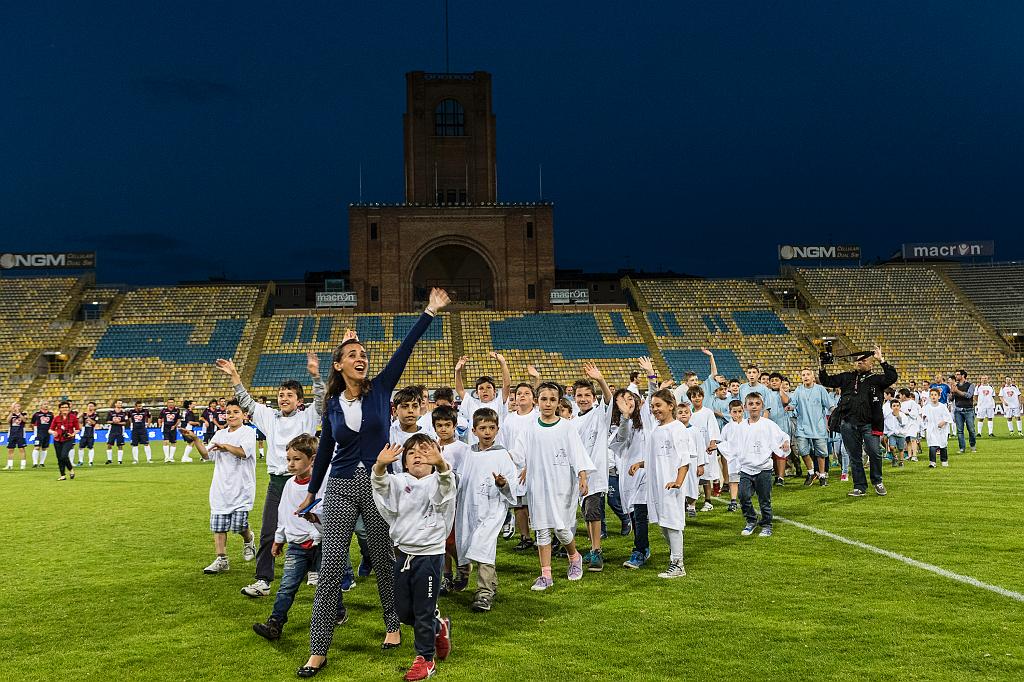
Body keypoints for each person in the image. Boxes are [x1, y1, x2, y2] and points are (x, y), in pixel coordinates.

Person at [294, 288, 449, 676]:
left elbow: (405, 349)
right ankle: (318, 649)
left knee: (382, 561)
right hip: (341, 487)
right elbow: (326, 448)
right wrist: (312, 493)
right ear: (338, 365)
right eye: (353, 354)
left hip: (380, 485)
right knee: (331, 569)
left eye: (364, 354)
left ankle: (393, 625)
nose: (361, 358)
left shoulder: (381, 389)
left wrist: (429, 310)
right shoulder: (331, 404)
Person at [214, 351, 324, 599]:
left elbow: (320, 399)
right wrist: (234, 376)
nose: (284, 398)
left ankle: (315, 570)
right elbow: (247, 402)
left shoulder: (308, 416)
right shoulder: (269, 417)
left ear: (299, 401)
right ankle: (263, 579)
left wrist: (316, 377)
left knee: (314, 529)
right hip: (277, 483)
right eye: (281, 395)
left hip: (305, 482)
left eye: (289, 395)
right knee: (268, 531)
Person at [370, 436, 455, 682]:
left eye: (424, 451)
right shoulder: (398, 481)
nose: (418, 455)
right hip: (403, 553)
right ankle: (439, 627)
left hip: (429, 554)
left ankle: (425, 660)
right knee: (404, 612)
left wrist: (441, 466)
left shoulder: (439, 480)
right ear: (404, 462)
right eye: (411, 453)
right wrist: (379, 466)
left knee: (423, 610)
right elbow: (381, 488)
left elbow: (446, 491)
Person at [252, 434, 342, 642]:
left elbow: (327, 512)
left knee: (328, 584)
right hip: (297, 546)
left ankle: (338, 611)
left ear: (312, 460)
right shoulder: (289, 485)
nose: (291, 464)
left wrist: (315, 528)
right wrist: (279, 539)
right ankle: (275, 623)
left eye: (297, 459)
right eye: (289, 459)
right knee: (287, 586)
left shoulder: (323, 483)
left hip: (321, 544)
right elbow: (283, 515)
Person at [514, 381, 594, 591]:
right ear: (536, 401)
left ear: (559, 402)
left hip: (561, 485)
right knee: (541, 529)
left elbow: (577, 453)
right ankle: (545, 574)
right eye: (543, 399)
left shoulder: (567, 427)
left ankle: (574, 557)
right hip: (537, 484)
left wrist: (582, 476)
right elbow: (518, 454)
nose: (547, 403)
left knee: (561, 529)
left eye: (552, 400)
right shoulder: (529, 429)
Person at [182, 399, 258, 574]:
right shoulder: (219, 434)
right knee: (219, 526)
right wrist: (195, 439)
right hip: (220, 488)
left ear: (244, 415)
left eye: (235, 412)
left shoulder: (248, 433)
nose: (231, 415)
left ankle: (249, 539)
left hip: (241, 488)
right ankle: (221, 559)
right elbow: (207, 455)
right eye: (228, 412)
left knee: (239, 526)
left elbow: (243, 452)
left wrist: (226, 447)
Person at [453, 408, 516, 612]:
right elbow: (462, 478)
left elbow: (511, 485)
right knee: (473, 544)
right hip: (470, 509)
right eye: (482, 428)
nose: (487, 432)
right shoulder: (468, 453)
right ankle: (492, 584)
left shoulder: (502, 455)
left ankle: (484, 593)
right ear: (474, 430)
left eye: (491, 428)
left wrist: (502, 483)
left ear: (497, 429)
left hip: (492, 509)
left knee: (484, 548)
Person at [819, 346, 897, 498]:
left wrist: (882, 360)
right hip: (848, 423)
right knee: (854, 456)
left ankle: (877, 481)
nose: (859, 362)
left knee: (874, 453)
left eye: (863, 360)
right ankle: (859, 486)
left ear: (870, 364)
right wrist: (822, 366)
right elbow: (827, 380)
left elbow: (892, 377)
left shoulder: (876, 379)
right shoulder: (847, 377)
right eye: (857, 360)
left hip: (870, 423)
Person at [632, 388, 691, 578]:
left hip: (671, 484)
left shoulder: (677, 428)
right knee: (664, 524)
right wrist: (640, 464)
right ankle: (675, 558)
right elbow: (656, 457)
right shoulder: (657, 430)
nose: (655, 409)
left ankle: (678, 564)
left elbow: (684, 459)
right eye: (652, 406)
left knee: (673, 523)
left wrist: (678, 482)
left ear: (670, 406)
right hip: (657, 484)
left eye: (659, 405)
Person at [717, 393, 791, 537]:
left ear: (761, 406)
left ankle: (767, 524)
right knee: (743, 496)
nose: (754, 406)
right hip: (746, 469)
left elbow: (782, 436)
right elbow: (732, 445)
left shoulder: (768, 424)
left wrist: (785, 443)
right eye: (751, 404)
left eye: (757, 403)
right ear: (745, 407)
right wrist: (718, 446)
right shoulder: (741, 427)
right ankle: (751, 520)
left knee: (764, 499)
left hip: (763, 469)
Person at [571, 364, 612, 572]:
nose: (584, 398)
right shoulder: (572, 421)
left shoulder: (598, 414)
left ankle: (597, 551)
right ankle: (592, 547)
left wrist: (600, 380)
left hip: (594, 474)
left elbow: (609, 399)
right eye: (580, 395)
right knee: (587, 513)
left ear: (593, 398)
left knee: (594, 513)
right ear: (574, 397)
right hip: (580, 475)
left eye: (588, 395)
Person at [611, 382, 655, 569]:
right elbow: (620, 439)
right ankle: (644, 548)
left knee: (641, 511)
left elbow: (653, 396)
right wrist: (625, 417)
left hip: (647, 472)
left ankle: (639, 551)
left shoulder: (646, 419)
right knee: (635, 514)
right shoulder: (619, 425)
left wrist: (651, 377)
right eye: (622, 401)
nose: (628, 403)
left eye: (630, 398)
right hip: (628, 475)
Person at [501, 381, 539, 551]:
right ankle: (525, 536)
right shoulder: (509, 419)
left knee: (536, 503)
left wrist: (530, 465)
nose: (522, 396)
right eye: (519, 393)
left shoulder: (537, 417)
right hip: (514, 468)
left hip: (534, 467)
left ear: (533, 398)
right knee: (518, 504)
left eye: (526, 393)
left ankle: (541, 535)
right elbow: (505, 443)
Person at [454, 352, 511, 447]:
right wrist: (457, 371)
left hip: (496, 450)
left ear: (494, 391)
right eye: (481, 388)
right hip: (475, 451)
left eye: (488, 387)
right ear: (476, 393)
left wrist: (503, 363)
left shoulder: (499, 402)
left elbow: (507, 385)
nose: (485, 391)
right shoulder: (471, 403)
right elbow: (459, 389)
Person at [789, 368, 832, 486]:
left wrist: (837, 414)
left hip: (818, 426)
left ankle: (822, 475)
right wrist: (789, 407)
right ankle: (811, 472)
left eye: (808, 374)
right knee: (803, 451)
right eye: (803, 375)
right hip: (802, 427)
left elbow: (830, 405)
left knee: (821, 453)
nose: (806, 376)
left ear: (813, 377)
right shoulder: (798, 390)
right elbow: (793, 404)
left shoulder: (820, 389)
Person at [688, 386, 722, 507]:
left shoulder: (707, 412)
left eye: (699, 395)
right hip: (692, 449)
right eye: (693, 396)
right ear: (690, 399)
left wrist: (712, 442)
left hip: (706, 448)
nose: (697, 398)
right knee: (692, 475)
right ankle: (691, 502)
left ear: (702, 397)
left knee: (706, 476)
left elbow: (713, 428)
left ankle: (708, 501)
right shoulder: (688, 413)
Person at [389, 386, 429, 469]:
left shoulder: (428, 436)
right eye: (405, 406)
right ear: (394, 411)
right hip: (396, 480)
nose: (410, 410)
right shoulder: (389, 434)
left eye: (415, 406)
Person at [718, 400, 745, 510]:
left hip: (746, 458)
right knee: (733, 479)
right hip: (733, 459)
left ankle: (745, 499)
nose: (737, 414)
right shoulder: (727, 428)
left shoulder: (747, 424)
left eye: (740, 411)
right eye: (734, 412)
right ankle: (733, 501)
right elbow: (722, 442)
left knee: (746, 480)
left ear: (743, 411)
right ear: (730, 412)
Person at [921, 388, 953, 468]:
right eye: (931, 395)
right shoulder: (927, 407)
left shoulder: (942, 407)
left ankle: (944, 461)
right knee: (932, 445)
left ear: (939, 396)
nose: (933, 396)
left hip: (941, 429)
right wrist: (924, 418)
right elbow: (922, 416)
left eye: (935, 395)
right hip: (931, 428)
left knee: (942, 445)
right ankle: (932, 462)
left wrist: (943, 422)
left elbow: (948, 417)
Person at [49, 400, 79, 481]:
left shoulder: (73, 417)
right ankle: (62, 475)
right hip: (57, 439)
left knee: (64, 456)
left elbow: (77, 429)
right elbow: (50, 429)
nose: (65, 409)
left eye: (66, 407)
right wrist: (53, 432)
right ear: (60, 409)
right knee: (59, 458)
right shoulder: (56, 418)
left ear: (69, 408)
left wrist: (73, 434)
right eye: (62, 407)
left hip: (68, 439)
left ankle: (71, 469)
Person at [948, 370, 977, 454]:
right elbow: (951, 399)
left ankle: (972, 445)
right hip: (958, 410)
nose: (956, 376)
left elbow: (968, 395)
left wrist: (957, 391)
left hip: (968, 409)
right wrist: (951, 392)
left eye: (958, 374)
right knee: (960, 431)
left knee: (971, 430)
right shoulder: (955, 386)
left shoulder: (970, 385)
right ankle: (962, 448)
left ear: (963, 375)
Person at [883, 400, 909, 467]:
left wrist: (898, 417)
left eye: (897, 406)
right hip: (892, 434)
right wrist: (886, 434)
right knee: (891, 447)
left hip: (901, 434)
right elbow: (886, 424)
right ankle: (894, 457)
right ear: (891, 407)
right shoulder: (888, 416)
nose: (896, 407)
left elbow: (903, 424)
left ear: (900, 407)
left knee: (901, 448)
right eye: (894, 406)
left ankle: (901, 461)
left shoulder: (902, 415)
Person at [30, 400, 54, 468]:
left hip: (47, 433)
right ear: (41, 405)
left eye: (47, 404)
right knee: (37, 447)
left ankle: (41, 463)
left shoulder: (51, 414)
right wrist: (35, 431)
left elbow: (53, 424)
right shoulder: (37, 414)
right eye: (44, 404)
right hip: (39, 433)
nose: (46, 405)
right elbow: (32, 423)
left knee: (44, 448)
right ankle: (35, 463)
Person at [5, 402, 29, 470]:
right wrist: (12, 413)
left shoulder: (24, 413)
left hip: (20, 433)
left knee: (21, 449)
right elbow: (7, 421)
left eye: (18, 406)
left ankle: (23, 465)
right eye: (15, 406)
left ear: (20, 407)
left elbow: (24, 420)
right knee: (10, 449)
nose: (16, 408)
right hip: (12, 433)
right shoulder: (12, 414)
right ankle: (9, 465)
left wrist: (19, 414)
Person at [77, 401, 100, 467]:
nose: (90, 407)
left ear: (94, 407)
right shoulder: (84, 414)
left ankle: (90, 461)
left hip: (91, 432)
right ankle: (80, 461)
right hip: (84, 432)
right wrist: (79, 416)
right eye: (89, 406)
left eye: (91, 406)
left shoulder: (95, 415)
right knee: (81, 447)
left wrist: (88, 418)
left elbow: (94, 423)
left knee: (90, 447)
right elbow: (80, 421)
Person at [159, 398, 181, 463]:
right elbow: (160, 418)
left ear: (174, 403)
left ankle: (171, 457)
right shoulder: (164, 410)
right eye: (169, 402)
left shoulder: (177, 410)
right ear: (167, 403)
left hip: (173, 428)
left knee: (173, 442)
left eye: (172, 402)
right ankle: (166, 457)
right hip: (165, 427)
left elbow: (179, 419)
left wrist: (175, 426)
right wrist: (160, 424)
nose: (171, 404)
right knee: (166, 441)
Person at [106, 400, 127, 464]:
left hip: (120, 430)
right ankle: (109, 460)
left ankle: (119, 460)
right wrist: (113, 422)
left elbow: (125, 422)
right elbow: (107, 421)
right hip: (112, 430)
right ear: (115, 404)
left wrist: (119, 422)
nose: (120, 404)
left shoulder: (124, 413)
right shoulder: (111, 412)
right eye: (119, 403)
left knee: (120, 445)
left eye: (121, 403)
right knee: (109, 444)